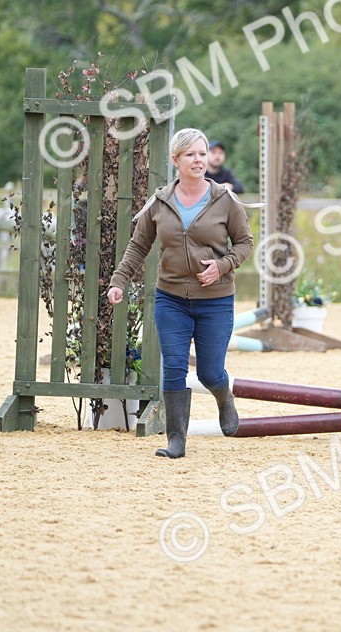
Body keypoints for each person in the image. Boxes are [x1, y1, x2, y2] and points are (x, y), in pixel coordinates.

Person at [107, 128, 254, 459]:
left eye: (202, 153)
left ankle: (224, 398)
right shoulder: (160, 201)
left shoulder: (225, 200)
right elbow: (139, 245)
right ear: (176, 160)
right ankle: (176, 440)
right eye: (190, 155)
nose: (198, 160)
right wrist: (119, 280)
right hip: (170, 298)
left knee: (210, 373)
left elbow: (245, 243)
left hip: (216, 300)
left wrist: (223, 265)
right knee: (173, 367)